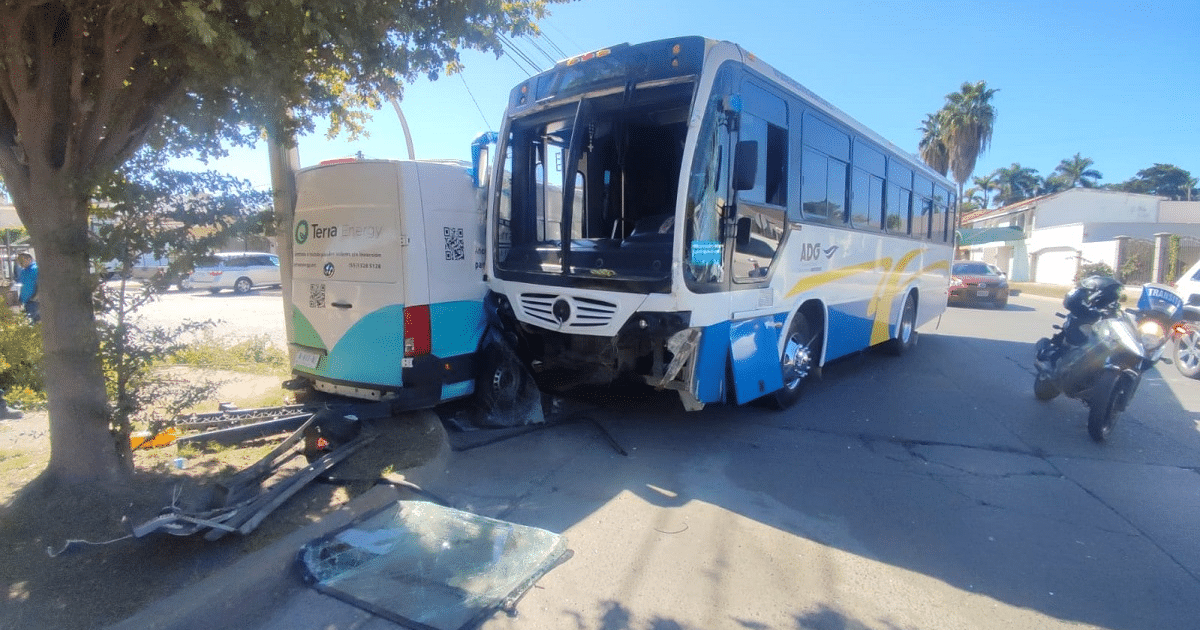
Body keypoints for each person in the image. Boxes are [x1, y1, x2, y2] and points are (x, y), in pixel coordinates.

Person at [15, 252, 38, 323]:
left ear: (29, 259)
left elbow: (40, 284)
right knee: (30, 322)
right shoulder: (23, 271)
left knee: (37, 321)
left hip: (35, 301)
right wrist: (20, 299)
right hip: (27, 302)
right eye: (19, 260)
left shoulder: (36, 269)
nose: (20, 262)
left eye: (22, 259)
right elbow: (24, 286)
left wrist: (36, 296)